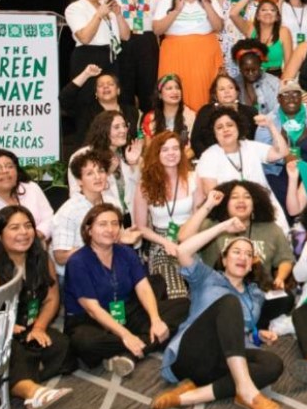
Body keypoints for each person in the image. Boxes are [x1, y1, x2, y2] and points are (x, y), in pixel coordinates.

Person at [148, 201, 284, 409]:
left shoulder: (256, 294)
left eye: (248, 254)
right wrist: (222, 227)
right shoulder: (207, 278)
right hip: (191, 354)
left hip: (223, 361)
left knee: (273, 364)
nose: (242, 257)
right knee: (228, 303)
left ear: (251, 264)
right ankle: (246, 391)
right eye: (236, 252)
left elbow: (241, 331)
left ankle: (188, 396)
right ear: (224, 258)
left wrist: (258, 333)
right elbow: (182, 250)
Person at [64, 204, 186, 376]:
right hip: (92, 322)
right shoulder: (78, 262)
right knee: (84, 342)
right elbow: (93, 310)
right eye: (103, 224)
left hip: (124, 310)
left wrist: (155, 319)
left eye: (115, 224)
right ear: (88, 230)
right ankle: (143, 341)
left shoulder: (125, 252)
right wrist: (125, 336)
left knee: (183, 305)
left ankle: (129, 353)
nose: (110, 229)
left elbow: (143, 286)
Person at [0, 207, 74, 409]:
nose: (24, 232)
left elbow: (51, 298)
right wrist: (6, 327)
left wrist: (39, 327)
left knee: (62, 345)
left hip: (29, 327)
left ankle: (14, 380)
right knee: (13, 352)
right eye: (15, 228)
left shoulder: (40, 257)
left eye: (28, 226)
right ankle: (33, 392)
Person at [179, 181, 294, 329]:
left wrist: (280, 278)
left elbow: (285, 258)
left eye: (247, 197)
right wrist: (209, 205)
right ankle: (244, 327)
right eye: (234, 197)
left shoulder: (271, 228)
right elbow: (183, 238)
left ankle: (247, 326)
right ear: (226, 203)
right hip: (221, 292)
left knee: (286, 298)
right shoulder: (213, 224)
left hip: (257, 292)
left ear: (255, 203)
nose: (241, 201)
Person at [132, 131, 203, 301]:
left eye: (175, 149)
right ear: (156, 154)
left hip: (191, 238)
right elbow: (141, 227)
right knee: (175, 294)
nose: (171, 153)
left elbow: (198, 216)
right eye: (165, 150)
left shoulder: (193, 178)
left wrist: (186, 241)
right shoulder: (145, 186)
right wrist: (165, 242)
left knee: (200, 292)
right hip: (160, 242)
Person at [195, 106, 291, 232]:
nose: (225, 130)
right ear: (213, 133)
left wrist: (271, 126)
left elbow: (282, 152)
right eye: (219, 127)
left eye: (230, 125)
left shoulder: (250, 146)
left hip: (265, 208)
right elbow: (213, 194)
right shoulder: (209, 156)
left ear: (238, 127)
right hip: (231, 215)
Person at [153, 0, 224, 112]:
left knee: (204, 93)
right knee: (174, 91)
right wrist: (176, 10)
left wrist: (205, 3)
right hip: (174, 53)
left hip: (204, 54)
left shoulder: (211, 0)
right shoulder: (167, 0)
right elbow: (157, 30)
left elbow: (219, 27)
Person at [104, 0, 163, 112]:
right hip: (123, 41)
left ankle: (150, 127)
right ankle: (126, 127)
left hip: (147, 41)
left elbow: (158, 22)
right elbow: (107, 18)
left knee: (149, 88)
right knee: (124, 88)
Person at [65, 0, 130, 109]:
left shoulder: (106, 6)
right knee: (88, 103)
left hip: (111, 56)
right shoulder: (75, 8)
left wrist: (118, 15)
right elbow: (85, 38)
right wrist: (98, 15)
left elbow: (126, 36)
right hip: (88, 57)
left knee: (111, 104)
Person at [53, 151, 120, 280]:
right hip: (75, 275)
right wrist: (93, 248)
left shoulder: (112, 203)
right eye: (90, 173)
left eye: (101, 171)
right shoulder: (69, 211)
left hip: (105, 270)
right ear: (79, 181)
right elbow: (60, 257)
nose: (98, 177)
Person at [68, 110, 142, 214]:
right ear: (103, 130)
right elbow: (76, 195)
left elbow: (139, 191)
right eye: (116, 127)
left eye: (124, 126)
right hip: (99, 218)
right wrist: (106, 173)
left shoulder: (128, 153)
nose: (123, 130)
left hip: (130, 217)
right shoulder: (82, 156)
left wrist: (133, 163)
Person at [0, 150, 54, 244]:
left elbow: (49, 219)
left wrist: (32, 237)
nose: (5, 171)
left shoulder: (31, 188)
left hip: (33, 249)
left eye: (10, 166)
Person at [60, 64, 142, 143]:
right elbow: (64, 98)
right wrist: (86, 74)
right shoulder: (86, 112)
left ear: (118, 90)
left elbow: (138, 138)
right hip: (93, 156)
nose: (105, 87)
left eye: (110, 84)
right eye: (100, 85)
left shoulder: (132, 112)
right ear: (96, 93)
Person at [190, 73, 259, 158]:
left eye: (230, 88)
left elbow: (257, 141)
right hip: (213, 162)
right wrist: (210, 159)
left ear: (237, 92)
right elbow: (196, 140)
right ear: (215, 94)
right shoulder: (206, 112)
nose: (227, 91)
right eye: (222, 89)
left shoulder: (250, 112)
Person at [229, 0, 293, 75]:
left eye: (272, 10)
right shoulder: (250, 28)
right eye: (263, 10)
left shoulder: (284, 32)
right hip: (252, 75)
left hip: (275, 76)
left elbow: (289, 64)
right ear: (257, 16)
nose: (268, 13)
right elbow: (233, 14)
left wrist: (283, 82)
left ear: (277, 17)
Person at [142, 74, 197, 149]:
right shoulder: (150, 118)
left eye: (177, 88)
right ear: (160, 95)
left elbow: (194, 148)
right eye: (169, 88)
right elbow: (148, 148)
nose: (175, 91)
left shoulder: (191, 116)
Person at [235, 41, 282, 116]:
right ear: (240, 68)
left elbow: (277, 114)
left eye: (254, 70)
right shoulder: (234, 84)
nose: (250, 73)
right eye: (246, 70)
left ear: (260, 66)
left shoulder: (273, 83)